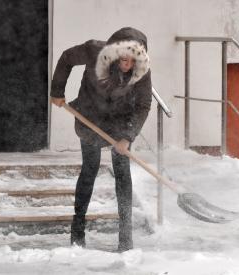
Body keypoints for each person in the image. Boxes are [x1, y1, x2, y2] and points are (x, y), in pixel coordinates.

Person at [50, 27, 152, 251]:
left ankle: (126, 237)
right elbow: (67, 58)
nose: (126, 65)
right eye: (123, 59)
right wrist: (57, 90)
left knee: (122, 173)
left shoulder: (143, 70)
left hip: (121, 123)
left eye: (131, 61)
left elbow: (144, 105)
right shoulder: (95, 51)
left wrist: (127, 136)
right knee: (90, 168)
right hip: (89, 116)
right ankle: (77, 228)